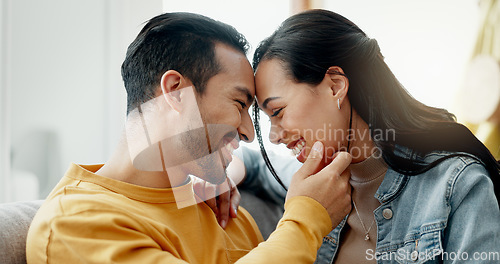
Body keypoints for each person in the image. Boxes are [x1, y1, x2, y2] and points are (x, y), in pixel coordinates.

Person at [26, 12, 353, 264]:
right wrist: (307, 217)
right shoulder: (75, 224)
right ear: (175, 92)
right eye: (239, 104)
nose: (249, 132)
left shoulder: (219, 208)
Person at [247, 9, 500, 264]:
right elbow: (256, 166)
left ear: (335, 86)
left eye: (278, 111)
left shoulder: (456, 184)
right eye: (268, 118)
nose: (273, 136)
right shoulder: (317, 182)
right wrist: (222, 174)